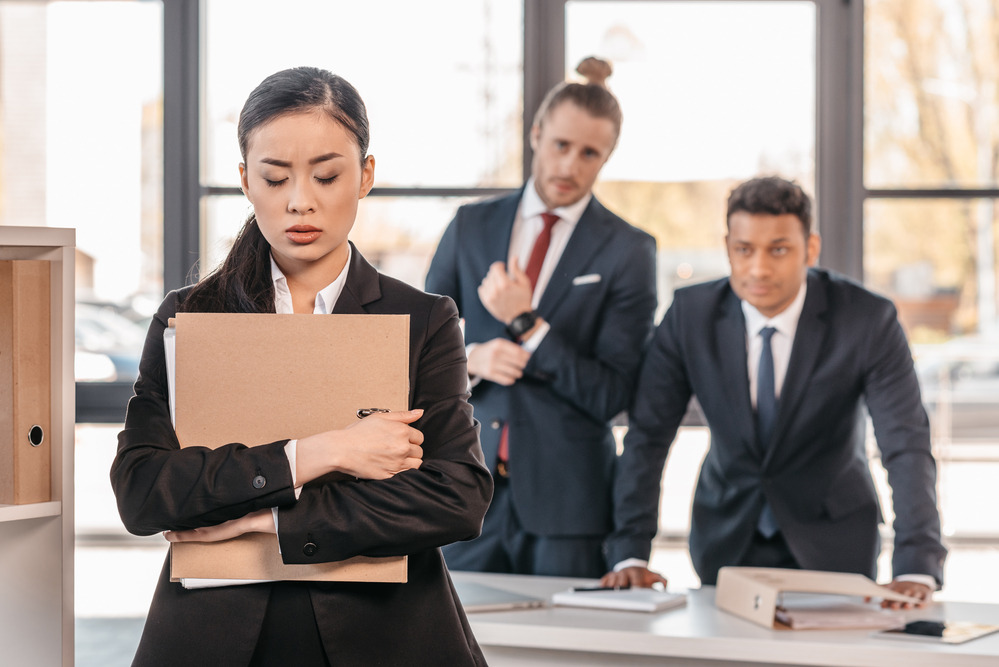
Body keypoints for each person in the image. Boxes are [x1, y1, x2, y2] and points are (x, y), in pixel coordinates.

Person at [110, 67, 493, 667]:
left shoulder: (422, 318)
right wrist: (327, 452)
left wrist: (264, 520)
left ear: (365, 175)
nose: (299, 200)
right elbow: (142, 492)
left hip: (385, 634)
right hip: (216, 635)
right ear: (244, 180)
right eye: (274, 176)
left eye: (326, 175)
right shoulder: (189, 317)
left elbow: (456, 497)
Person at [602, 177, 947, 606]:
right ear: (728, 246)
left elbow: (905, 444)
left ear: (811, 248)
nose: (759, 269)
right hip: (726, 538)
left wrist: (915, 563)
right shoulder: (689, 316)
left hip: (835, 541)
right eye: (744, 250)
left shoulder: (866, 319)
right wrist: (629, 552)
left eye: (779, 249)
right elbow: (648, 437)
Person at [425, 58, 657, 579]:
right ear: (536, 134)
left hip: (569, 509)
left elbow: (611, 393)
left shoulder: (629, 251)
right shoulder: (470, 225)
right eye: (560, 145)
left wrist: (529, 325)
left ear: (607, 157)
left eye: (589, 153)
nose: (570, 166)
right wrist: (473, 357)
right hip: (464, 492)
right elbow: (413, 349)